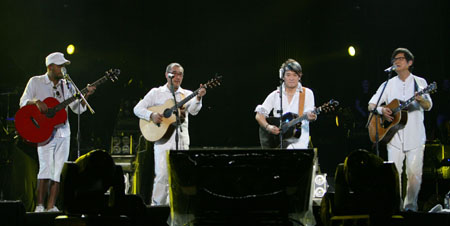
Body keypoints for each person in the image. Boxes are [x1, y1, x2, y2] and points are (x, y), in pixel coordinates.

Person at [19, 52, 96, 212]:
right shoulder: (36, 81)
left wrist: (85, 96)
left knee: (57, 171)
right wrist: (36, 102)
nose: (63, 69)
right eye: (60, 66)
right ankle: (39, 206)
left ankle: (51, 205)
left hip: (64, 132)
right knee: (45, 168)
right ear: (50, 67)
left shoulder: (67, 85)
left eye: (63, 66)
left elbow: (78, 109)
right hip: (44, 132)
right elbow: (23, 102)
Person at [368, 48, 432, 211]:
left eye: (401, 58)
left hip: (415, 135)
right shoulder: (387, 84)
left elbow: (428, 105)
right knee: (393, 174)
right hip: (393, 135)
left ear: (410, 63)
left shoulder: (420, 82)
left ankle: (410, 207)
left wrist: (421, 99)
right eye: (394, 59)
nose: (397, 61)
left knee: (414, 175)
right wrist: (382, 111)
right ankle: (395, 208)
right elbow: (371, 104)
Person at [133, 62, 206, 206]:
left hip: (182, 140)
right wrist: (151, 115)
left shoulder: (187, 94)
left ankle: (179, 211)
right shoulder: (156, 92)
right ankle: (158, 210)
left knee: (181, 177)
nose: (177, 77)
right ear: (167, 75)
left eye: (180, 74)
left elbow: (194, 111)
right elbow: (137, 109)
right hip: (163, 141)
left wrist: (198, 98)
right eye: (174, 73)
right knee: (162, 177)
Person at [255, 59, 317, 149]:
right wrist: (268, 127)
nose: (291, 78)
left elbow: (310, 115)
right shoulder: (275, 95)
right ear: (283, 76)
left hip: (299, 142)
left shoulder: (307, 93)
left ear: (299, 76)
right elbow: (259, 115)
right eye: (288, 75)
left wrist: (312, 117)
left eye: (295, 75)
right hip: (278, 143)